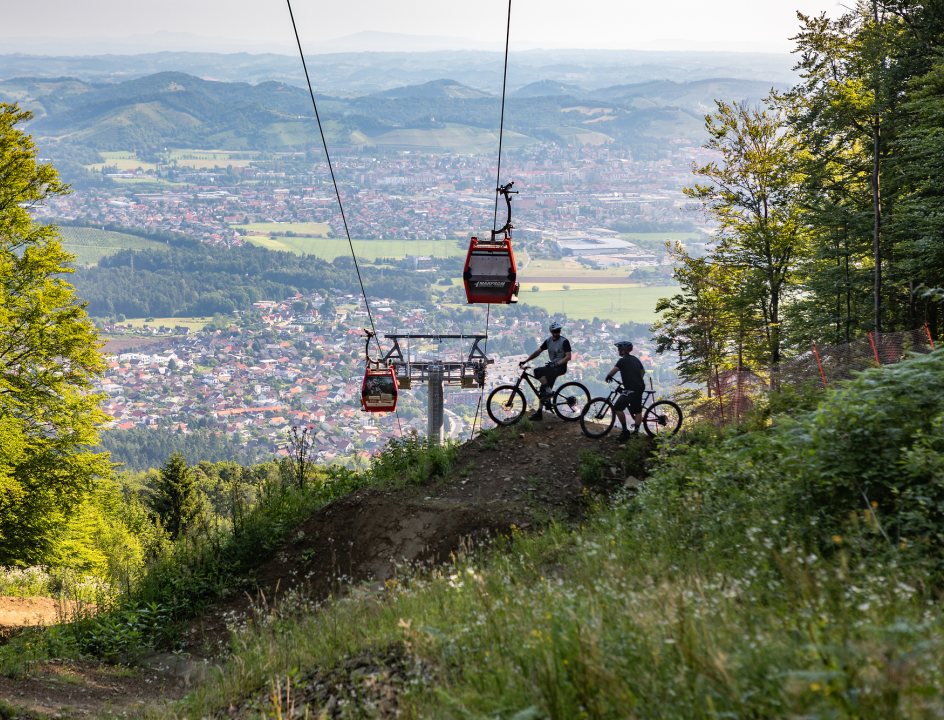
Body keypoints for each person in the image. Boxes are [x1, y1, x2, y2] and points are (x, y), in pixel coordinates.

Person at [519, 320, 572, 421]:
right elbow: (538, 352)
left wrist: (557, 363)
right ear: (551, 332)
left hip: (560, 367)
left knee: (537, 371)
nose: (557, 333)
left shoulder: (564, 341)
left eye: (558, 331)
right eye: (555, 331)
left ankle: (549, 392)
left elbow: (568, 357)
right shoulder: (548, 341)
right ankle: (540, 412)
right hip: (552, 368)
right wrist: (526, 360)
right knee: (542, 391)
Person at [605, 340, 645, 441]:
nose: (618, 350)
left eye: (619, 349)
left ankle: (625, 431)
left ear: (623, 350)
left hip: (631, 389)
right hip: (639, 387)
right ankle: (636, 432)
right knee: (638, 410)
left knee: (617, 407)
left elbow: (614, 371)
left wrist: (608, 377)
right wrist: (636, 379)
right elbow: (642, 372)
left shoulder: (622, 360)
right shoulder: (635, 359)